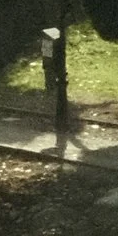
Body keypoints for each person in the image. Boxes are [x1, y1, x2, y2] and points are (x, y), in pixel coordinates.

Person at [37, 19, 71, 156]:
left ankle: (60, 126)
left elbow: (46, 56)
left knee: (56, 99)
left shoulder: (48, 35)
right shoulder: (55, 34)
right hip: (58, 70)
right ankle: (61, 125)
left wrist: (48, 69)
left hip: (54, 70)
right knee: (58, 99)